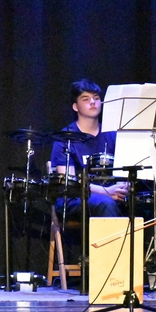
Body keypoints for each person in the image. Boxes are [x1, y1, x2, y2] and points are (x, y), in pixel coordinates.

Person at [49, 79, 127, 218]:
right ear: (75, 107)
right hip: (75, 198)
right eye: (86, 99)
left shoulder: (113, 134)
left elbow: (126, 167)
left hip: (111, 194)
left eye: (96, 98)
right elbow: (70, 183)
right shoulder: (64, 138)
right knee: (106, 203)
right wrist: (107, 192)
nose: (92, 102)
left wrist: (122, 187)